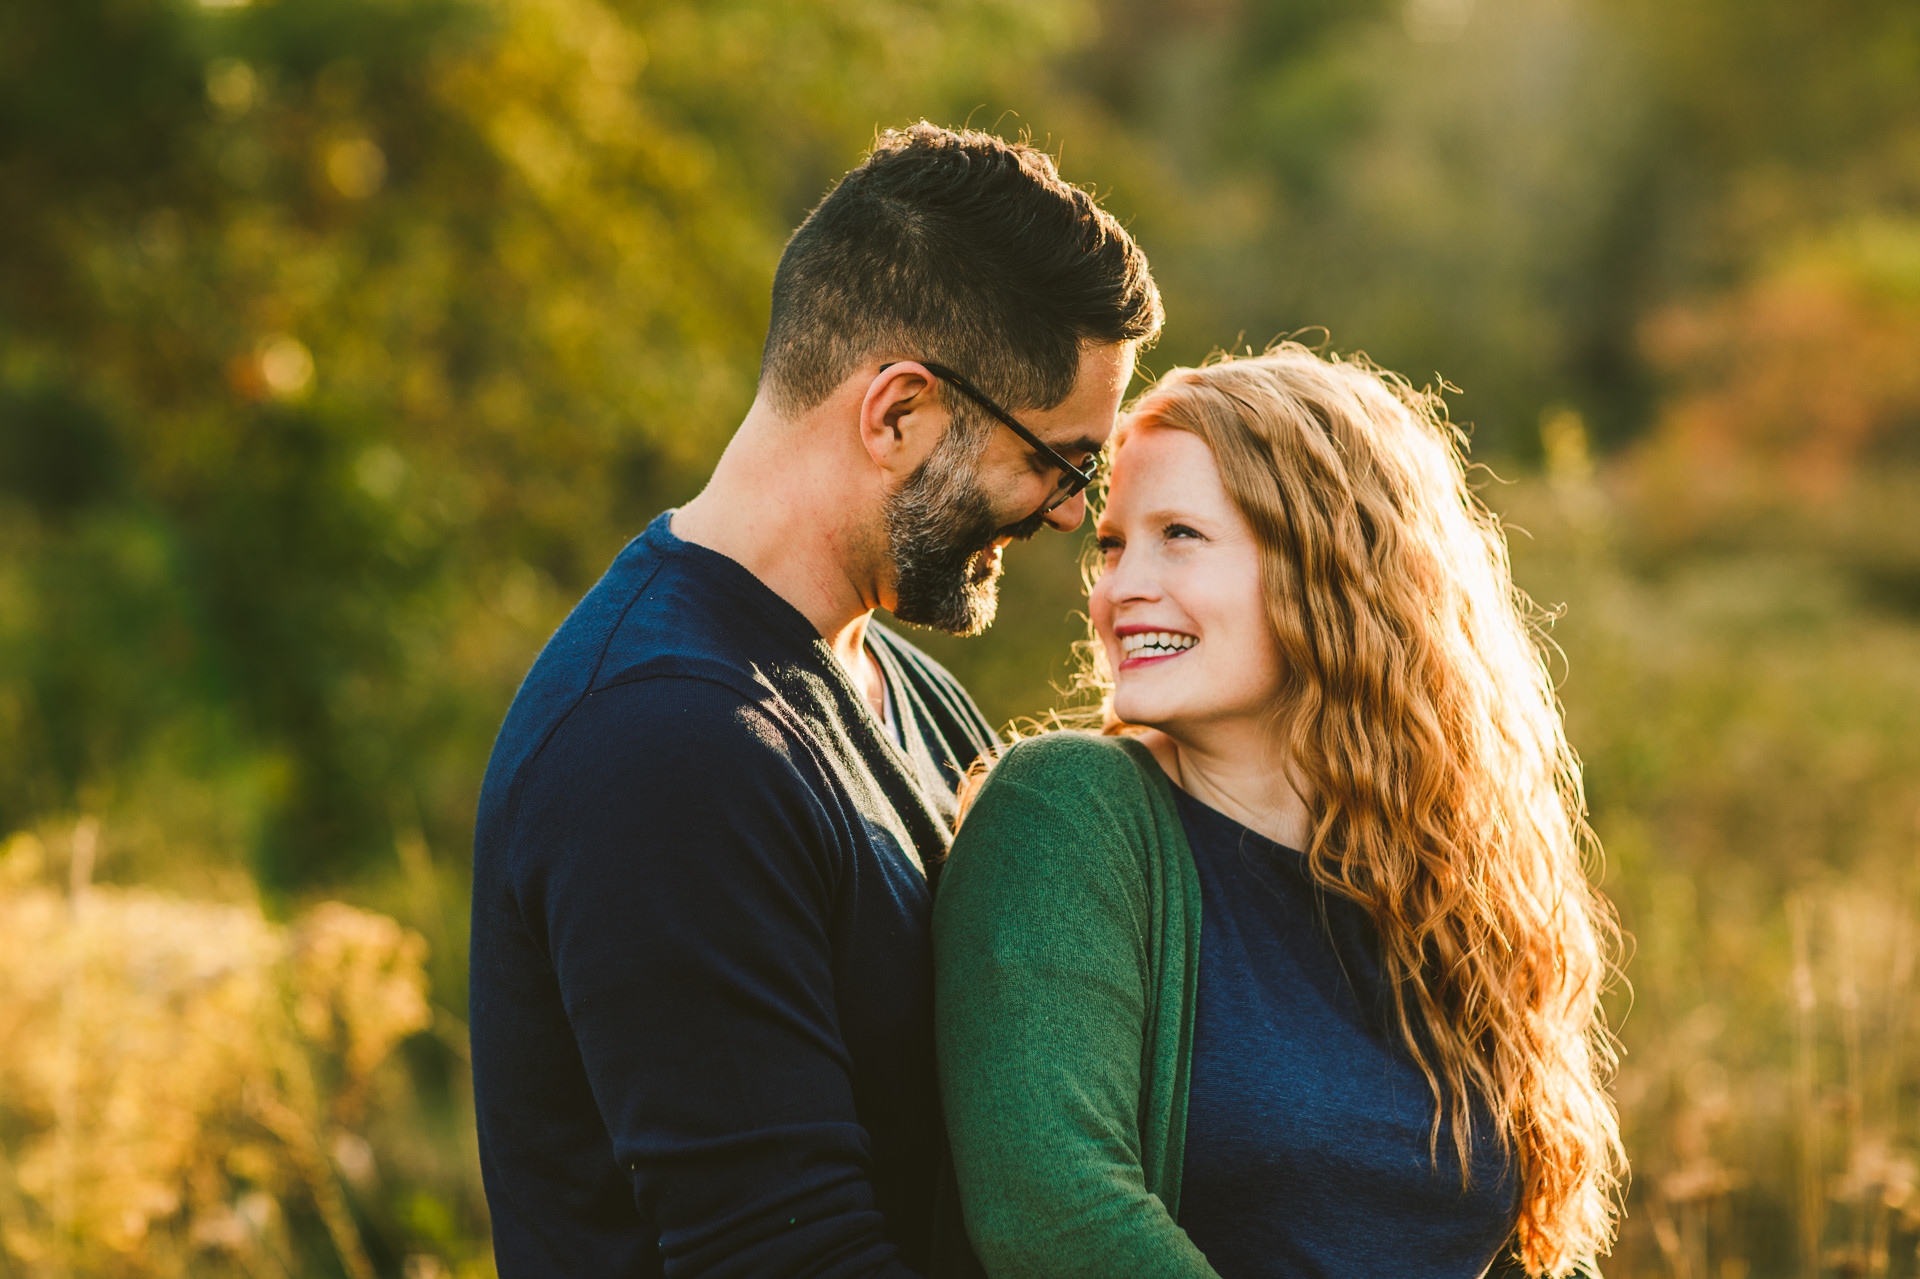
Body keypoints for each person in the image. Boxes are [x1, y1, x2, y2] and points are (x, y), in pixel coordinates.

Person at [468, 122, 1162, 1277]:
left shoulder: (904, 691)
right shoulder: (662, 747)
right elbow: (788, 1255)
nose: (1065, 514)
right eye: (1063, 461)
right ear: (898, 412)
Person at [933, 345, 1624, 1278]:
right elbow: (1060, 1216)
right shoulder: (1069, 813)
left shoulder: (1446, 882)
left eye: (1179, 533)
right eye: (1110, 543)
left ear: (1331, 567)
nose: (1118, 588)